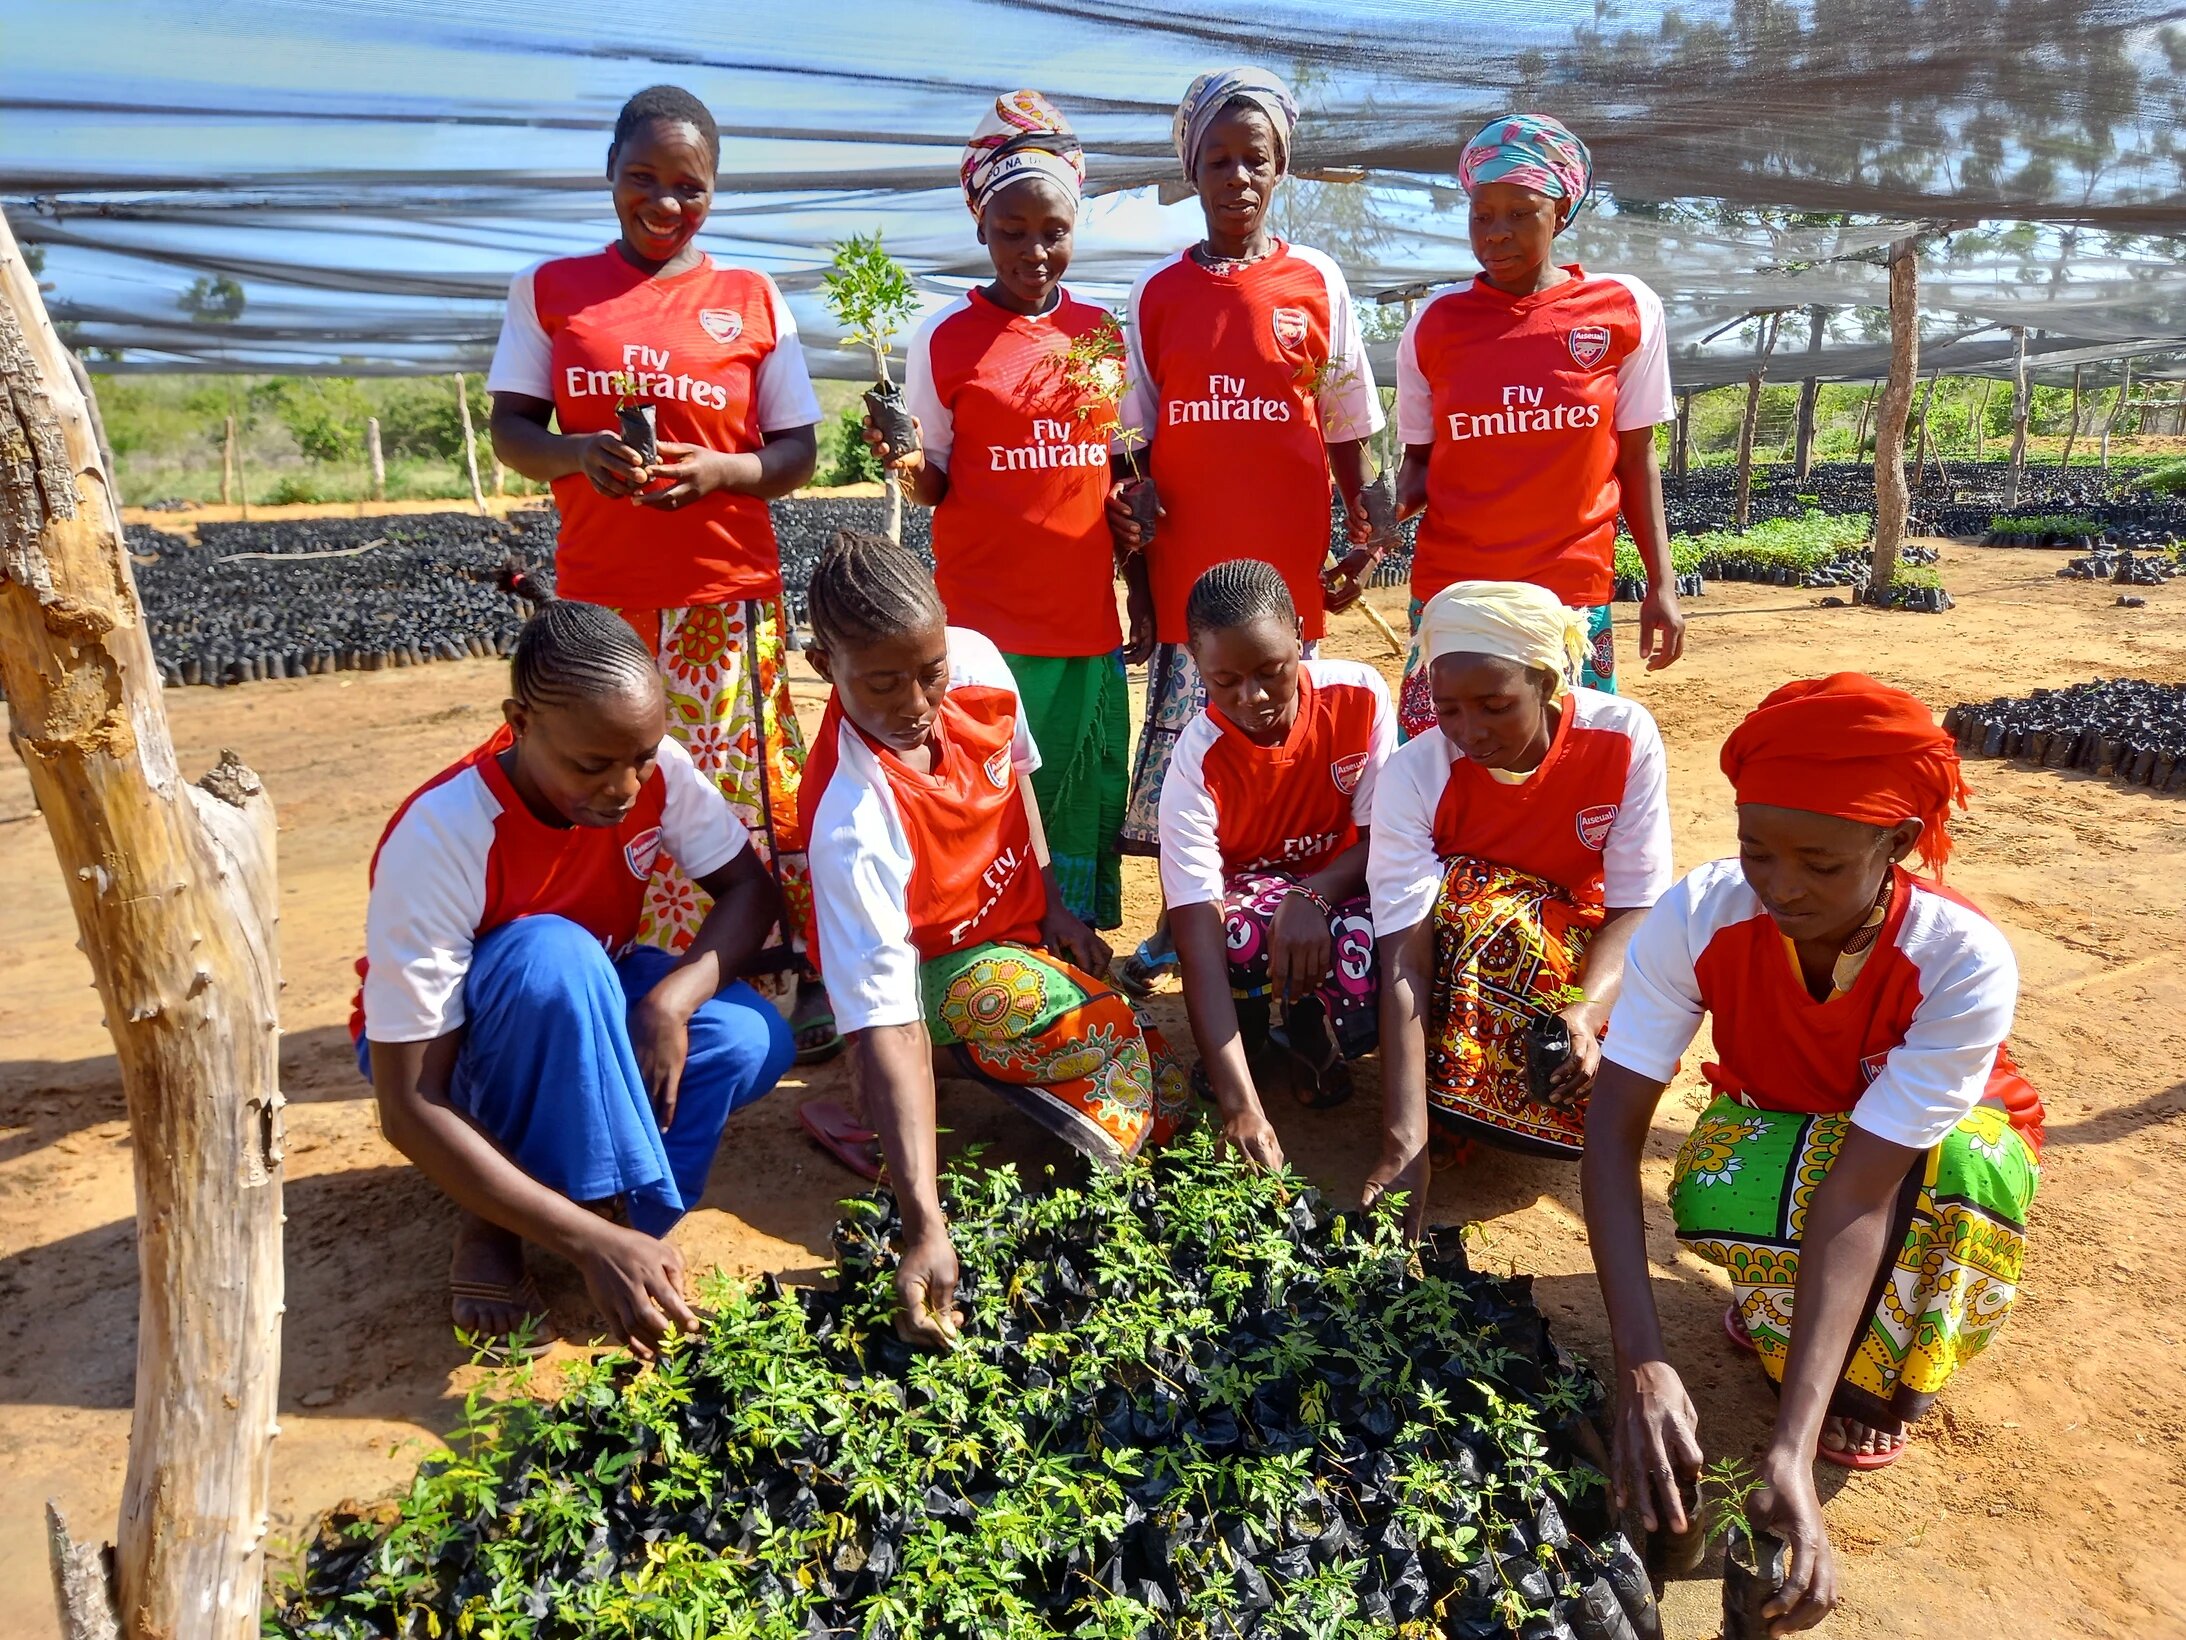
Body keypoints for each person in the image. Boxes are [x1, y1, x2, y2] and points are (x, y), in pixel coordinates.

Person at [1581, 675, 2044, 1631]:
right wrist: (1641, 1366)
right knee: (1722, 1176)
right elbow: (1614, 1134)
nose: (1783, 886)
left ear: (1897, 845)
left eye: (1822, 864)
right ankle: (1783, 1325)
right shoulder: (1701, 915)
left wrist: (1787, 1451)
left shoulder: (1959, 958)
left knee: (1960, 1171)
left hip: (1920, 1156)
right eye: (1757, 851)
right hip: (1783, 1127)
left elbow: (1860, 1193)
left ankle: (1875, 1383)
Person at [485, 84, 838, 1060]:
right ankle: (624, 965)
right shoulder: (551, 289)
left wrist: (720, 472)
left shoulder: (750, 297)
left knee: (741, 787)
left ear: (714, 188)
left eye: (690, 186)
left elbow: (797, 451)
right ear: (610, 173)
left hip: (723, 596)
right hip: (602, 601)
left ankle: (780, 968)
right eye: (643, 177)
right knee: (608, 778)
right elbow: (513, 430)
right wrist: (578, 453)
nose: (666, 202)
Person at [356, 601, 793, 1355]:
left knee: (746, 1039)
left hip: (590, 989)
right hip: (457, 1050)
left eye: (641, 758)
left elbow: (749, 890)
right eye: (591, 766)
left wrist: (670, 1003)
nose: (624, 787)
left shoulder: (654, 772)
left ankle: (621, 1213)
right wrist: (584, 1245)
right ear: (519, 724)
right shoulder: (444, 832)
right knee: (553, 956)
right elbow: (409, 1104)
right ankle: (497, 1226)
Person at [795, 532, 1190, 1341]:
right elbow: (886, 1014)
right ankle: (889, 1095)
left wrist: (1054, 906)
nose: (916, 702)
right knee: (1096, 1031)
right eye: (881, 683)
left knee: (1165, 1080)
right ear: (823, 666)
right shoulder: (852, 818)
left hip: (1003, 940)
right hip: (923, 979)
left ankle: (937, 1073)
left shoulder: (976, 665)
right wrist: (924, 1225)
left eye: (928, 671)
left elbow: (1016, 788)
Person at [1110, 66, 1386, 992]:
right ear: (1191, 170)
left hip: (1286, 580)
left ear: (1281, 168)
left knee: (1282, 748)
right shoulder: (1156, 295)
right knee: (1194, 753)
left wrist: (1362, 539)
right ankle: (1182, 919)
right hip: (1190, 578)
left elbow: (1346, 423)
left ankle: (1283, 905)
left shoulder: (1316, 281)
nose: (1237, 178)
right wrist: (1140, 584)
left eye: (1255, 159)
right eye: (1218, 159)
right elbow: (1133, 450)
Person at [863, 90, 1130, 934]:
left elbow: (1123, 465)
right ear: (981, 225)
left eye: (1053, 230)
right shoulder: (945, 337)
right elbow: (935, 482)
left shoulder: (1101, 334)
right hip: (984, 624)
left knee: (1077, 789)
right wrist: (905, 462)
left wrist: (1138, 536)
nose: (1034, 251)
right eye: (1012, 231)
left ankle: (1076, 948)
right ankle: (999, 942)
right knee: (991, 788)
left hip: (1084, 616)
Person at [1362, 581, 1672, 1222]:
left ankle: (1505, 1103)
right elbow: (1404, 957)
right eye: (1448, 709)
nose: (1470, 731)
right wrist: (1402, 1142)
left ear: (1548, 682)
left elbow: (1638, 907)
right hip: (1464, 951)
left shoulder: (1621, 738)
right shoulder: (1416, 774)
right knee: (1481, 902)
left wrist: (1587, 1011)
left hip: (1585, 951)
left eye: (1496, 705)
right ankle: (1447, 1109)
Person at [1392, 113, 1684, 738]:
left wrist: (1661, 584)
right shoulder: (1433, 325)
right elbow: (1417, 464)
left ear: (1561, 212)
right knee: (1442, 764)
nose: (1496, 233)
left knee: (1567, 762)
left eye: (1520, 213)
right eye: (1482, 215)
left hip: (1568, 595)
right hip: (1455, 594)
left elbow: (1637, 458)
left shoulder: (1624, 308)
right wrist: (1378, 522)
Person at [1158, 559, 1393, 1165]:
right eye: (1225, 680)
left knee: (1385, 926)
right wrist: (1240, 1106)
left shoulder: (1359, 697)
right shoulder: (1197, 760)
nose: (1252, 697)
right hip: (1246, 903)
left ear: (1299, 635)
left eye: (1271, 671)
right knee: (1235, 932)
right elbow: (1196, 930)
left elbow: (1387, 842)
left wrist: (1313, 894)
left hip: (1343, 883)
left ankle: (1310, 1025)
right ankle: (1249, 1029)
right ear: (1196, 663)